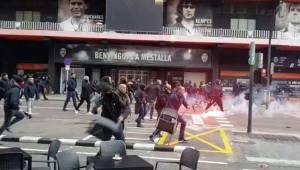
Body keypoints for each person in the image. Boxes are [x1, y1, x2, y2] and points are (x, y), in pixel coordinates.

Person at [91, 76, 126, 141]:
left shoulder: (114, 96)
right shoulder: (105, 96)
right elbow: (97, 104)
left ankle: (106, 150)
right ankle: (104, 150)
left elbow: (122, 105)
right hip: (109, 121)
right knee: (115, 139)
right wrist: (96, 108)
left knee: (111, 139)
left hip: (113, 120)